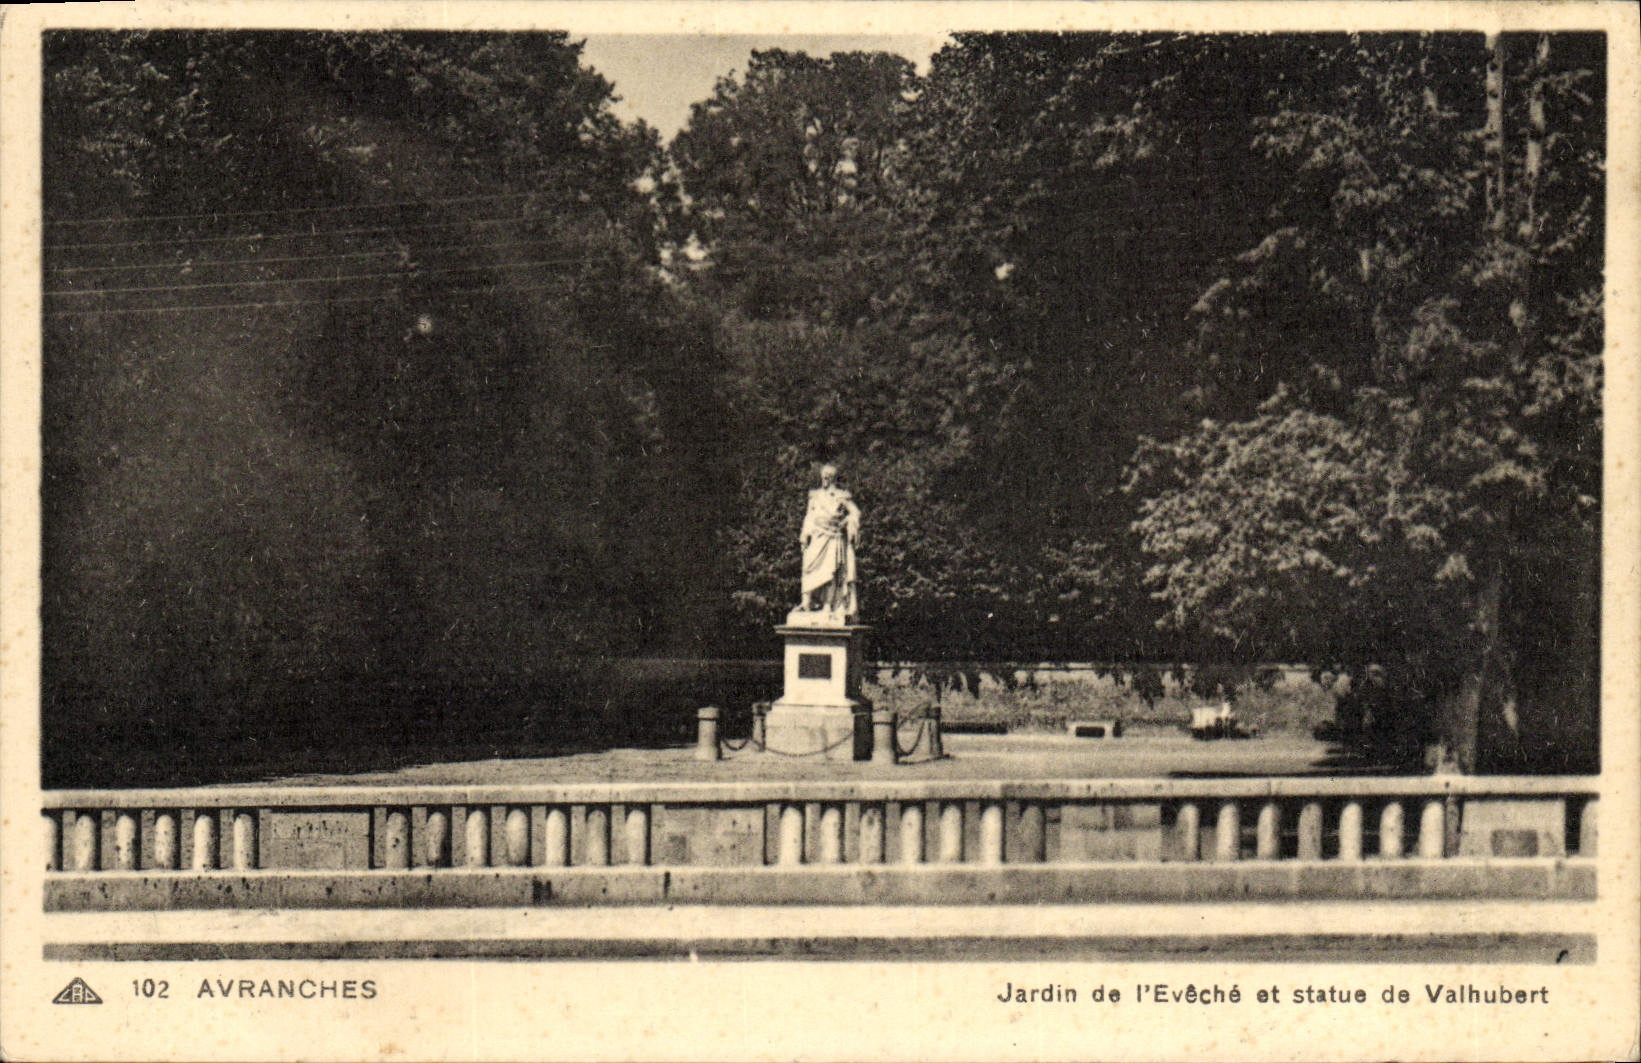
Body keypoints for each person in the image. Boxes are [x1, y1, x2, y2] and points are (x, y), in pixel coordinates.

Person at [800, 464, 861, 617]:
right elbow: (809, 516)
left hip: (833, 536)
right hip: (817, 536)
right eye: (823, 475)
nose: (825, 478)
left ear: (833, 477)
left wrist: (848, 521)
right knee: (809, 566)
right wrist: (804, 535)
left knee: (830, 571)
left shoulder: (841, 495)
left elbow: (855, 512)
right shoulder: (814, 495)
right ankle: (807, 603)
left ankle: (828, 606)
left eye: (828, 475)